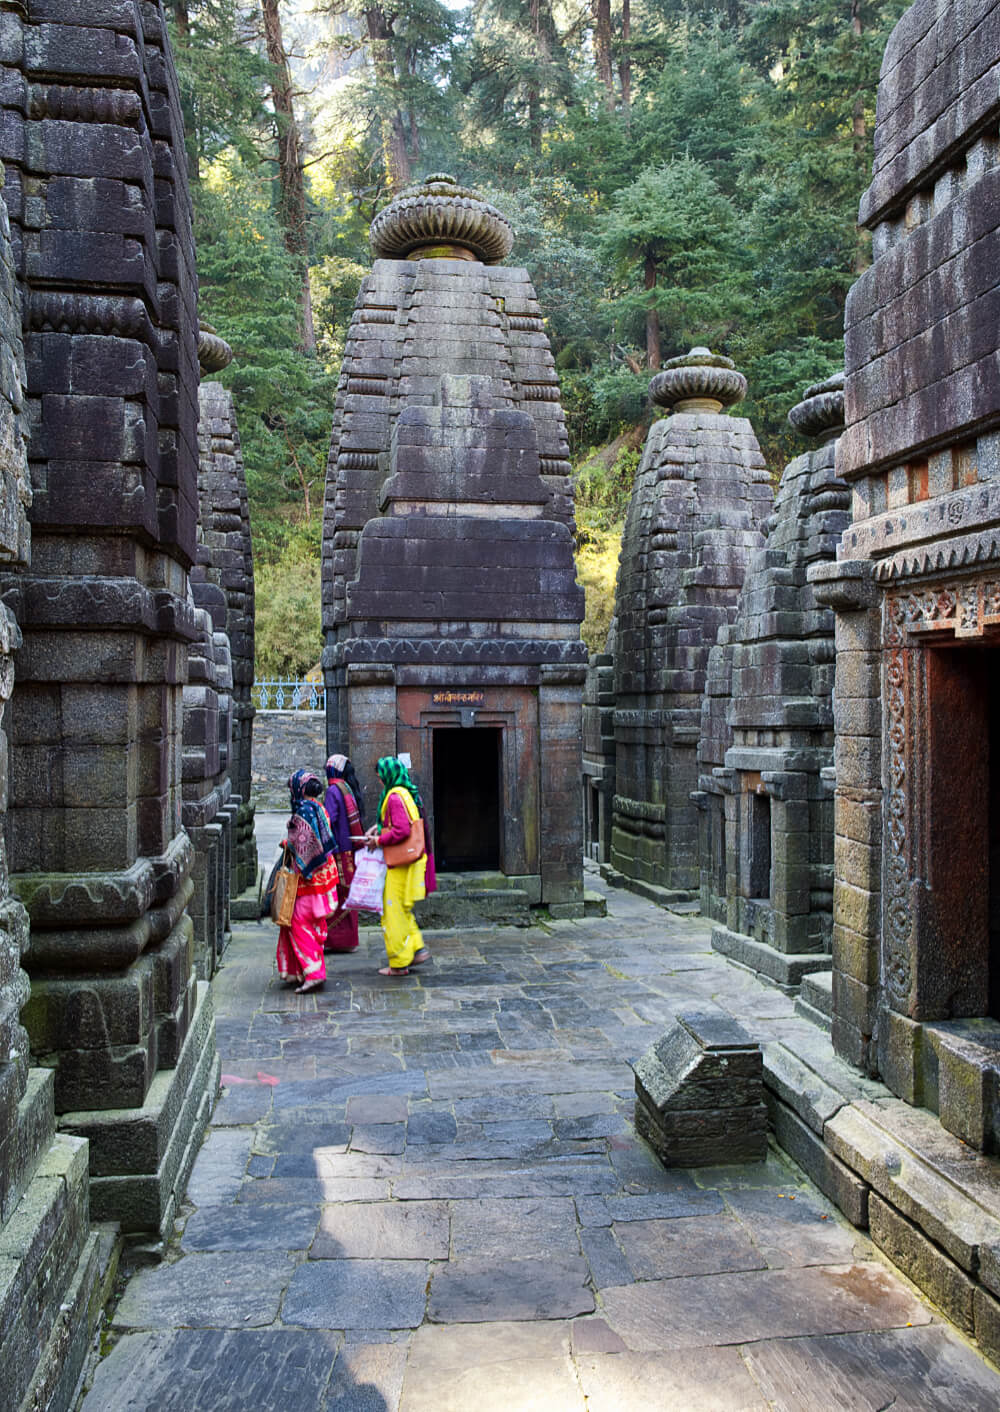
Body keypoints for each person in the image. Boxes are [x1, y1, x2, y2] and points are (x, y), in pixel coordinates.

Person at [366, 756, 433, 977]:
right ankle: (416, 948)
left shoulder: (394, 797)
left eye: (380, 777)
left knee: (392, 911)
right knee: (402, 909)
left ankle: (399, 962)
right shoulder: (405, 792)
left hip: (400, 864)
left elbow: (402, 830)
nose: (380, 782)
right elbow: (399, 823)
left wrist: (379, 841)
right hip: (410, 861)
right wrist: (378, 829)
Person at [276, 770, 340, 993]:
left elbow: (302, 847)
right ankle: (296, 971)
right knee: (313, 923)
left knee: (298, 922)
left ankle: (313, 973)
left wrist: (287, 844)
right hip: (326, 873)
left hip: (309, 879)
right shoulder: (318, 807)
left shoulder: (303, 811)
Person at [323, 753, 365, 953]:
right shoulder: (347, 788)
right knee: (347, 895)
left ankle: (336, 940)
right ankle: (348, 939)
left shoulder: (333, 790)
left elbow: (328, 820)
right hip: (350, 852)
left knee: (337, 896)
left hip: (339, 852)